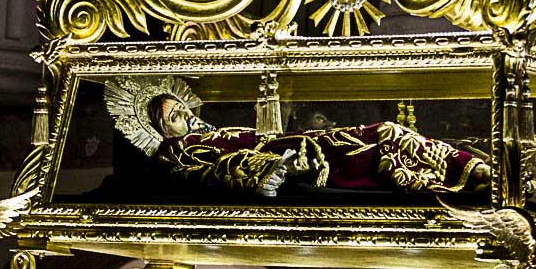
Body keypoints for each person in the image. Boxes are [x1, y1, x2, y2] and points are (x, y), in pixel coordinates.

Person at [104, 77, 489, 197]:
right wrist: (276, 168)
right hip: (294, 157)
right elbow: (217, 170)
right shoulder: (177, 150)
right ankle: (468, 175)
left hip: (296, 143)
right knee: (380, 147)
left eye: (183, 108)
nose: (187, 115)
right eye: (174, 116)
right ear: (161, 130)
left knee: (387, 132)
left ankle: (470, 167)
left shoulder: (211, 133)